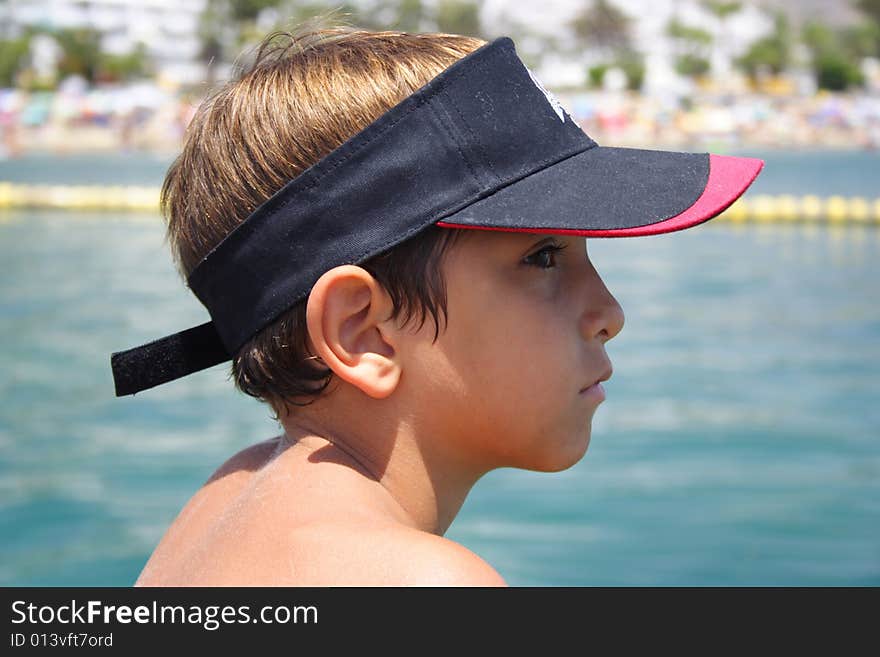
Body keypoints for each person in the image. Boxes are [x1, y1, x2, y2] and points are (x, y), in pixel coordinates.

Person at [111, 21, 762, 586]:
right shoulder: (423, 586)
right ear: (361, 331)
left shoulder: (227, 497)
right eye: (541, 257)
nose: (609, 312)